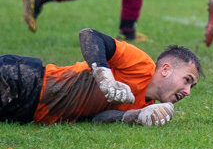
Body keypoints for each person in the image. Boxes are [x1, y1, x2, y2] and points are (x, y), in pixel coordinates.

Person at [0, 28, 202, 126]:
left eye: (191, 87)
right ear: (165, 69)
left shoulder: (147, 105)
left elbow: (98, 118)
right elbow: (89, 35)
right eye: (187, 80)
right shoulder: (141, 65)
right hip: (22, 82)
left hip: (26, 114)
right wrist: (104, 77)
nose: (187, 92)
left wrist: (137, 117)